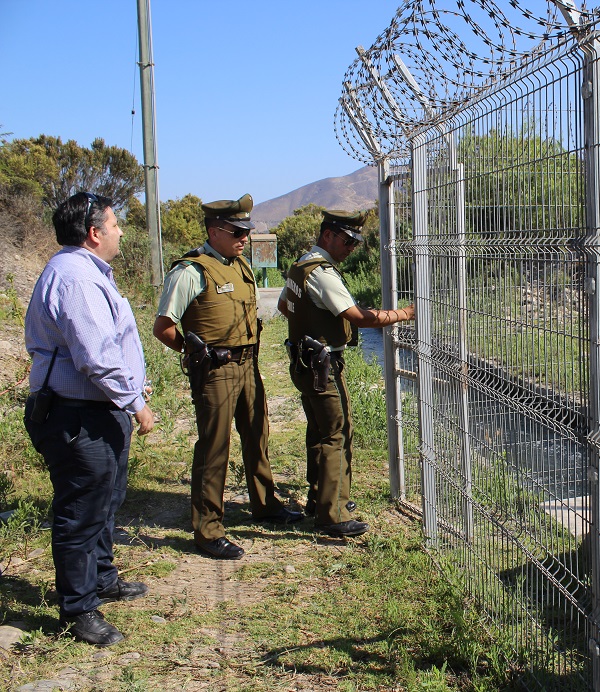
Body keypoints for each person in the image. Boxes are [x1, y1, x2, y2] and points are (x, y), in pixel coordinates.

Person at [23, 192, 157, 647]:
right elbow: (96, 356)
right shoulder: (76, 279)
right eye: (115, 224)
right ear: (94, 232)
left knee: (105, 501)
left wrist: (132, 388)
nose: (121, 231)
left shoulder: (87, 272)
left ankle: (101, 578)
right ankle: (78, 608)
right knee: (81, 511)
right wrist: (134, 402)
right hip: (77, 416)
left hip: (97, 411)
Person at [152, 194, 301, 561]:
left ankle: (265, 505)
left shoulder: (240, 265)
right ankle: (208, 530)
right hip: (215, 371)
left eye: (246, 231)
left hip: (248, 365)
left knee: (257, 435)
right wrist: (194, 353)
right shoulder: (191, 271)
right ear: (214, 231)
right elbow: (163, 327)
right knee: (214, 447)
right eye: (236, 232)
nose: (244, 238)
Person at [278, 210, 414, 538]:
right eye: (347, 241)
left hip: (304, 361)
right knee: (336, 433)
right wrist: (403, 314)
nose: (352, 248)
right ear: (327, 236)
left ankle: (320, 498)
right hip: (322, 366)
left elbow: (284, 306)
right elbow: (359, 317)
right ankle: (332, 514)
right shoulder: (322, 273)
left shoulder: (301, 265)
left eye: (356, 243)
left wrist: (309, 326)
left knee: (320, 430)